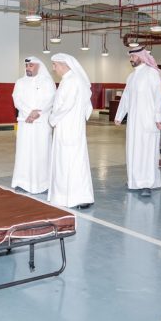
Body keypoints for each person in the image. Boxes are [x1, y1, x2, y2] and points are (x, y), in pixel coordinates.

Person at [114, 47, 161, 196]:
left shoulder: (152, 74)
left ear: (142, 57)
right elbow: (126, 97)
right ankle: (134, 180)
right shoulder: (131, 77)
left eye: (133, 57)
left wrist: (158, 118)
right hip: (134, 122)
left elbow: (159, 96)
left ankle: (147, 184)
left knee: (147, 152)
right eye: (130, 57)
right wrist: (119, 115)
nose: (131, 59)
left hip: (148, 120)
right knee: (134, 150)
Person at [48, 53, 94, 209]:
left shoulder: (72, 81)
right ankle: (69, 196)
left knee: (71, 162)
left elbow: (66, 105)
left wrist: (52, 119)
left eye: (55, 65)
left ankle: (77, 197)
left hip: (68, 126)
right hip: (70, 126)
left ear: (63, 65)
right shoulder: (72, 80)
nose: (54, 68)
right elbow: (87, 107)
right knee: (70, 161)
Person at [11, 56, 56, 194]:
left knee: (41, 152)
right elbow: (16, 100)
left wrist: (38, 112)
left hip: (42, 123)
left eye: (31, 65)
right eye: (26, 66)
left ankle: (43, 184)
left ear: (38, 66)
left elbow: (51, 99)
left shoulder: (47, 82)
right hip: (25, 122)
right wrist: (29, 112)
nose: (28, 68)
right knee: (24, 152)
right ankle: (22, 182)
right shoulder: (20, 82)